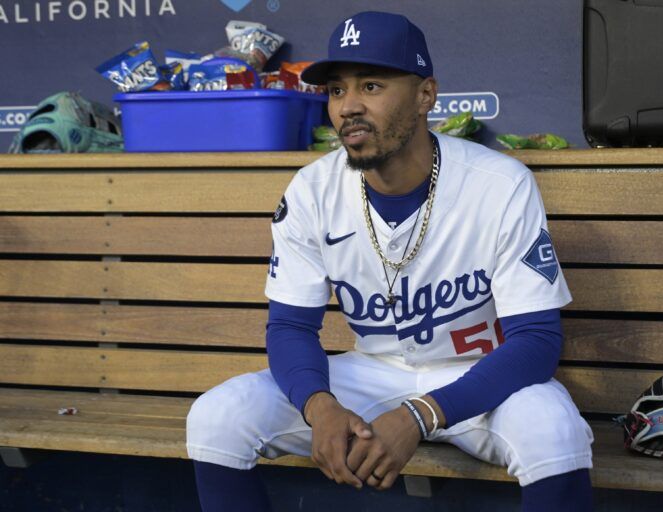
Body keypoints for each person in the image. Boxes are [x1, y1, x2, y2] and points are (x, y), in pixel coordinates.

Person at [186, 11, 594, 512]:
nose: (348, 107)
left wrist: (419, 415)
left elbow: (537, 341)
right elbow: (290, 327)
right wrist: (321, 407)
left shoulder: (500, 184)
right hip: (371, 372)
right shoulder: (312, 191)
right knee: (217, 416)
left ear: (426, 95)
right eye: (337, 91)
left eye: (372, 85)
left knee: (555, 431)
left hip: (483, 379)